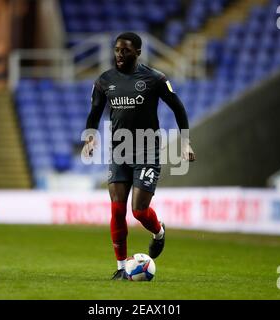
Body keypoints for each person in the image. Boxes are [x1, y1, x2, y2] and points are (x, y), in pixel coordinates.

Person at [83, 32, 195, 280]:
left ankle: (158, 232)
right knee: (116, 210)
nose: (119, 55)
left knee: (139, 212)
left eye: (125, 51)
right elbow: (94, 112)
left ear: (138, 53)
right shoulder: (104, 80)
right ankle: (122, 268)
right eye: (117, 50)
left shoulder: (154, 79)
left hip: (147, 150)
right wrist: (90, 137)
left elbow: (178, 107)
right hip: (118, 152)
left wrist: (185, 142)